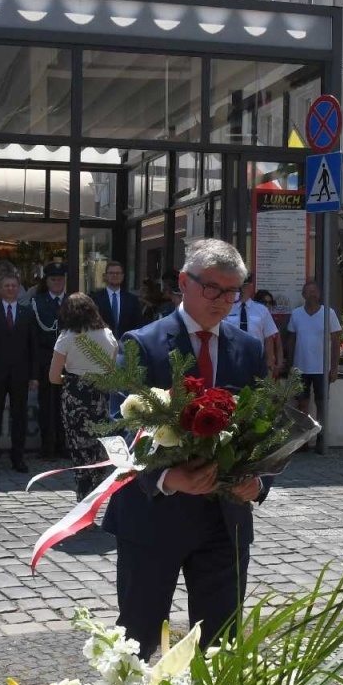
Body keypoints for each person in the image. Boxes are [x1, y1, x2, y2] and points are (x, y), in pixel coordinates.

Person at [102, 239, 267, 657]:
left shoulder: (247, 348)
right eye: (212, 288)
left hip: (224, 520)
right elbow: (117, 429)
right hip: (153, 519)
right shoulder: (143, 343)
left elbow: (264, 428)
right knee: (136, 641)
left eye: (233, 292)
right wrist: (167, 477)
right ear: (183, 282)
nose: (222, 301)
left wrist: (258, 480)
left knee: (221, 645)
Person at [49, 293, 119, 501]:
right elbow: (113, 370)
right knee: (98, 451)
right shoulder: (107, 334)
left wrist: (70, 381)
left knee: (80, 452)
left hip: (76, 396)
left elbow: (53, 376)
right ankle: (94, 496)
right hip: (101, 396)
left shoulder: (68, 336)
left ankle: (83, 498)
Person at [0, 273, 40, 473]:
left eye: (13, 286)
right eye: (7, 286)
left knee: (19, 416)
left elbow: (34, 348)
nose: (10, 289)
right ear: (0, 289)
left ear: (18, 288)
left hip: (21, 374)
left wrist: (34, 376)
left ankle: (18, 457)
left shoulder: (27, 313)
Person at [285, 280, 341, 423]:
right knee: (302, 404)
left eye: (314, 292)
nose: (312, 295)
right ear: (303, 295)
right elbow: (291, 341)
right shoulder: (296, 314)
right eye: (309, 292)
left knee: (321, 404)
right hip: (300, 369)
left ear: (319, 294)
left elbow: (336, 342)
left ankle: (321, 438)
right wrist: (290, 366)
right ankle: (303, 438)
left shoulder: (329, 313)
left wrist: (334, 368)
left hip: (322, 369)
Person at [31, 263, 67, 459]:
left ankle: (63, 444)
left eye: (60, 279)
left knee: (66, 405)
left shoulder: (71, 301)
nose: (56, 282)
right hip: (47, 359)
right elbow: (38, 336)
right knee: (47, 405)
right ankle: (48, 447)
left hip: (69, 362)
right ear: (47, 281)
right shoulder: (39, 302)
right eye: (53, 279)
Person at [228, 274, 281, 377]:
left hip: (256, 360)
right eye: (238, 286)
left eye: (244, 286)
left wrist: (270, 365)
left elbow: (268, 340)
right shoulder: (227, 307)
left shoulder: (262, 310)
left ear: (251, 287)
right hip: (232, 359)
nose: (241, 290)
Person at [90, 260, 142, 339]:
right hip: (101, 346)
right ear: (105, 276)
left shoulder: (132, 299)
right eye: (111, 273)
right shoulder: (94, 299)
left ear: (123, 276)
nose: (115, 275)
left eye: (118, 273)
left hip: (127, 345)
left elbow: (138, 325)